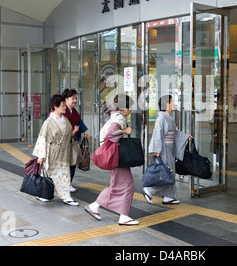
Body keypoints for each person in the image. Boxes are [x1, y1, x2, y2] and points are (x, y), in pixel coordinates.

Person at [85, 94, 139, 226]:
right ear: (124, 108)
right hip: (115, 155)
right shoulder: (119, 118)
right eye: (130, 106)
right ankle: (123, 216)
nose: (131, 109)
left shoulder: (115, 115)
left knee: (117, 185)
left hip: (113, 155)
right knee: (128, 185)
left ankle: (95, 206)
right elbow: (111, 134)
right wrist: (124, 131)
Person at [142, 95, 191, 205]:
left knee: (170, 172)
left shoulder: (168, 118)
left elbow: (175, 133)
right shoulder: (162, 118)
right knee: (165, 172)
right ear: (167, 105)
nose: (174, 104)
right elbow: (157, 133)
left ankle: (169, 196)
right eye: (172, 102)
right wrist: (157, 148)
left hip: (169, 148)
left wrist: (186, 136)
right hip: (163, 148)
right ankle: (149, 190)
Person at [32, 94, 80, 206]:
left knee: (64, 174)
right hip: (52, 153)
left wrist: (74, 133)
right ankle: (45, 194)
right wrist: (41, 155)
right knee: (50, 174)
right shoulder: (49, 122)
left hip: (64, 152)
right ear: (55, 106)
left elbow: (68, 135)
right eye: (63, 105)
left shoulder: (66, 120)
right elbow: (42, 138)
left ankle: (66, 196)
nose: (65, 107)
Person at [62, 88, 89, 193]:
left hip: (74, 141)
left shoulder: (74, 111)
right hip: (66, 142)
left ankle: (68, 183)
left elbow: (79, 121)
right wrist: (73, 131)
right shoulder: (63, 111)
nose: (75, 101)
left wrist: (84, 130)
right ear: (66, 99)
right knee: (66, 164)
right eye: (72, 98)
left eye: (76, 98)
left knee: (73, 162)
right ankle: (64, 184)